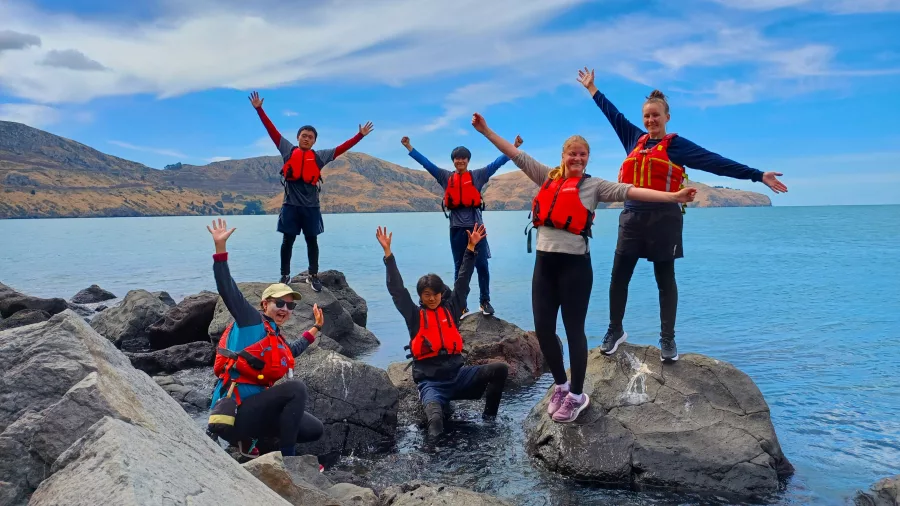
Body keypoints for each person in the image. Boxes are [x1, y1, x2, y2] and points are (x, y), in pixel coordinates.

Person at [471, 112, 696, 423]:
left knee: (574, 330)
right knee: (545, 330)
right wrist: (485, 131)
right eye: (572, 153)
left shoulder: (594, 187)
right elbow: (516, 155)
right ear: (563, 156)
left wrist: (672, 196)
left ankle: (578, 395)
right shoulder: (546, 176)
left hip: (575, 267)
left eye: (583, 154)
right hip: (544, 265)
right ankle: (561, 387)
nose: (577, 158)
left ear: (587, 159)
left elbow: (630, 191)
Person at [576, 67, 788, 363]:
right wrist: (592, 89)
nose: (651, 120)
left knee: (665, 280)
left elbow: (716, 162)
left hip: (665, 221)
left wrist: (757, 175)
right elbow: (613, 115)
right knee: (618, 277)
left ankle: (667, 339)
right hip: (633, 219)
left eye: (656, 116)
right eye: (647, 116)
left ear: (667, 118)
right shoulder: (633, 140)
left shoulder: (676, 146)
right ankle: (615, 330)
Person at [206, 217, 325, 458]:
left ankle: (253, 444)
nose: (285, 309)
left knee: (314, 429)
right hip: (233, 413)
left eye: (290, 306)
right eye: (279, 303)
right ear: (264, 304)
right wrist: (220, 250)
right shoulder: (250, 320)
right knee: (296, 389)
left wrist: (316, 329)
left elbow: (290, 352)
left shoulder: (274, 335)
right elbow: (227, 289)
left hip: (254, 414)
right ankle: (288, 458)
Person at [377, 223, 509, 440]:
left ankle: (489, 422)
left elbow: (463, 281)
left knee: (500, 369)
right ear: (420, 296)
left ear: (441, 294)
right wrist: (388, 255)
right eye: (427, 294)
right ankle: (433, 467)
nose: (432, 298)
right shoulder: (414, 316)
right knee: (436, 422)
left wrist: (470, 248)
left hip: (458, 377)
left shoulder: (452, 308)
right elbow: (397, 290)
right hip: (432, 384)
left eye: (436, 294)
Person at [249, 90, 375, 292]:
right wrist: (259, 110)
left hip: (311, 207)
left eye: (310, 137)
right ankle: (284, 275)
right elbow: (271, 130)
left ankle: (313, 275)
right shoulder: (287, 150)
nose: (306, 139)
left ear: (314, 141)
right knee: (287, 241)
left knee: (312, 241)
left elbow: (342, 148)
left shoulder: (320, 156)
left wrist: (360, 135)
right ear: (298, 138)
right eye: (303, 136)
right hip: (290, 205)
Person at [400, 134, 524, 316]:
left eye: (463, 158)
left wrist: (514, 146)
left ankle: (485, 301)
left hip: (476, 230)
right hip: (457, 230)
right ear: (453, 161)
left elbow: (497, 163)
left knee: (482, 266)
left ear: (468, 160)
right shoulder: (445, 177)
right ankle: (461, 304)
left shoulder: (478, 176)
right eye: (457, 158)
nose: (460, 160)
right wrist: (409, 147)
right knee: (460, 268)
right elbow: (427, 164)